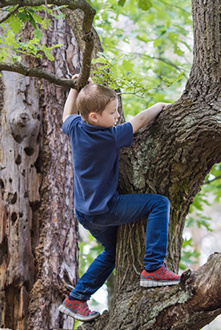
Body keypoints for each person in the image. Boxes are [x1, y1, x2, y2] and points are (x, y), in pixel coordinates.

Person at [58, 75, 180, 322]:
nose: (117, 117)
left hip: (85, 212)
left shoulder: (76, 128)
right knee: (159, 203)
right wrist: (159, 107)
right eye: (113, 112)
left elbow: (66, 116)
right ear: (95, 117)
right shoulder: (110, 137)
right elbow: (140, 120)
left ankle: (75, 299)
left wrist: (74, 89)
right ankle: (154, 268)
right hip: (106, 208)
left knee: (112, 253)